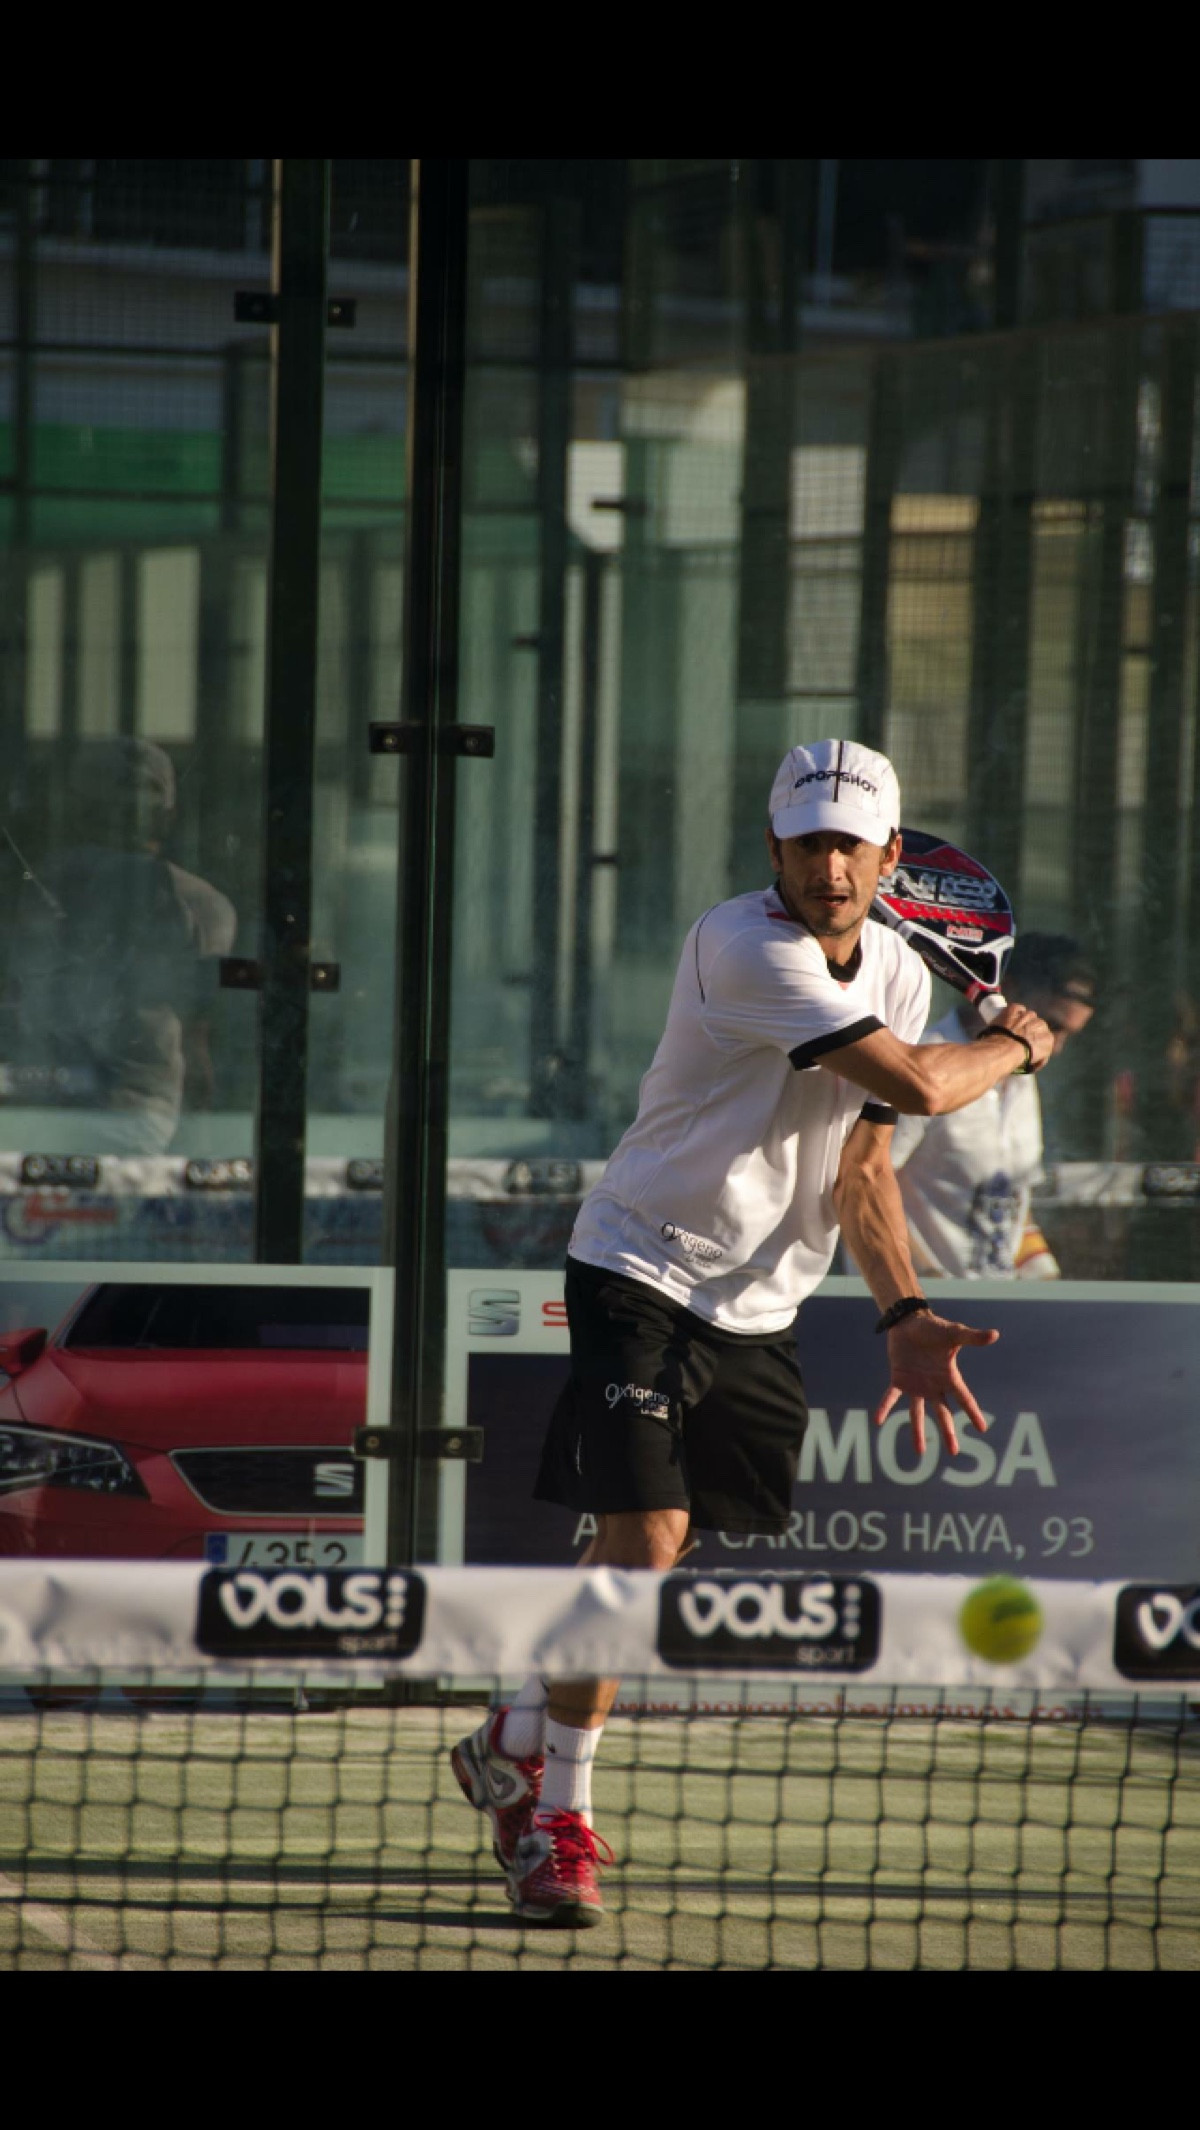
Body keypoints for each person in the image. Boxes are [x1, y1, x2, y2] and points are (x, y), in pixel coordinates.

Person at [452, 737, 1053, 1927]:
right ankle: (554, 1818)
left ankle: (511, 1734)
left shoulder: (901, 973)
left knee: (660, 1548)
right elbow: (927, 1087)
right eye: (808, 843)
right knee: (642, 1537)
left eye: (851, 846)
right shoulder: (744, 946)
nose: (829, 867)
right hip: (639, 1265)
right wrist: (1022, 1044)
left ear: (889, 854)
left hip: (765, 1300)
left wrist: (903, 1311)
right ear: (772, 848)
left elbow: (864, 1164)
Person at [7, 738, 236, 1153]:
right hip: (128, 1118)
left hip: (51, 1112)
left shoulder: (33, 887)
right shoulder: (201, 902)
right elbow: (199, 1039)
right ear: (169, 816)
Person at [891, 935, 1096, 1281]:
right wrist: (924, 1283)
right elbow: (860, 1185)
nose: (1056, 1047)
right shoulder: (924, 1065)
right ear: (1006, 992)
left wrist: (1046, 1280)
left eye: (1067, 1036)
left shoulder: (1023, 1075)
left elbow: (1009, 1206)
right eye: (1051, 1026)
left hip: (993, 1302)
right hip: (914, 1303)